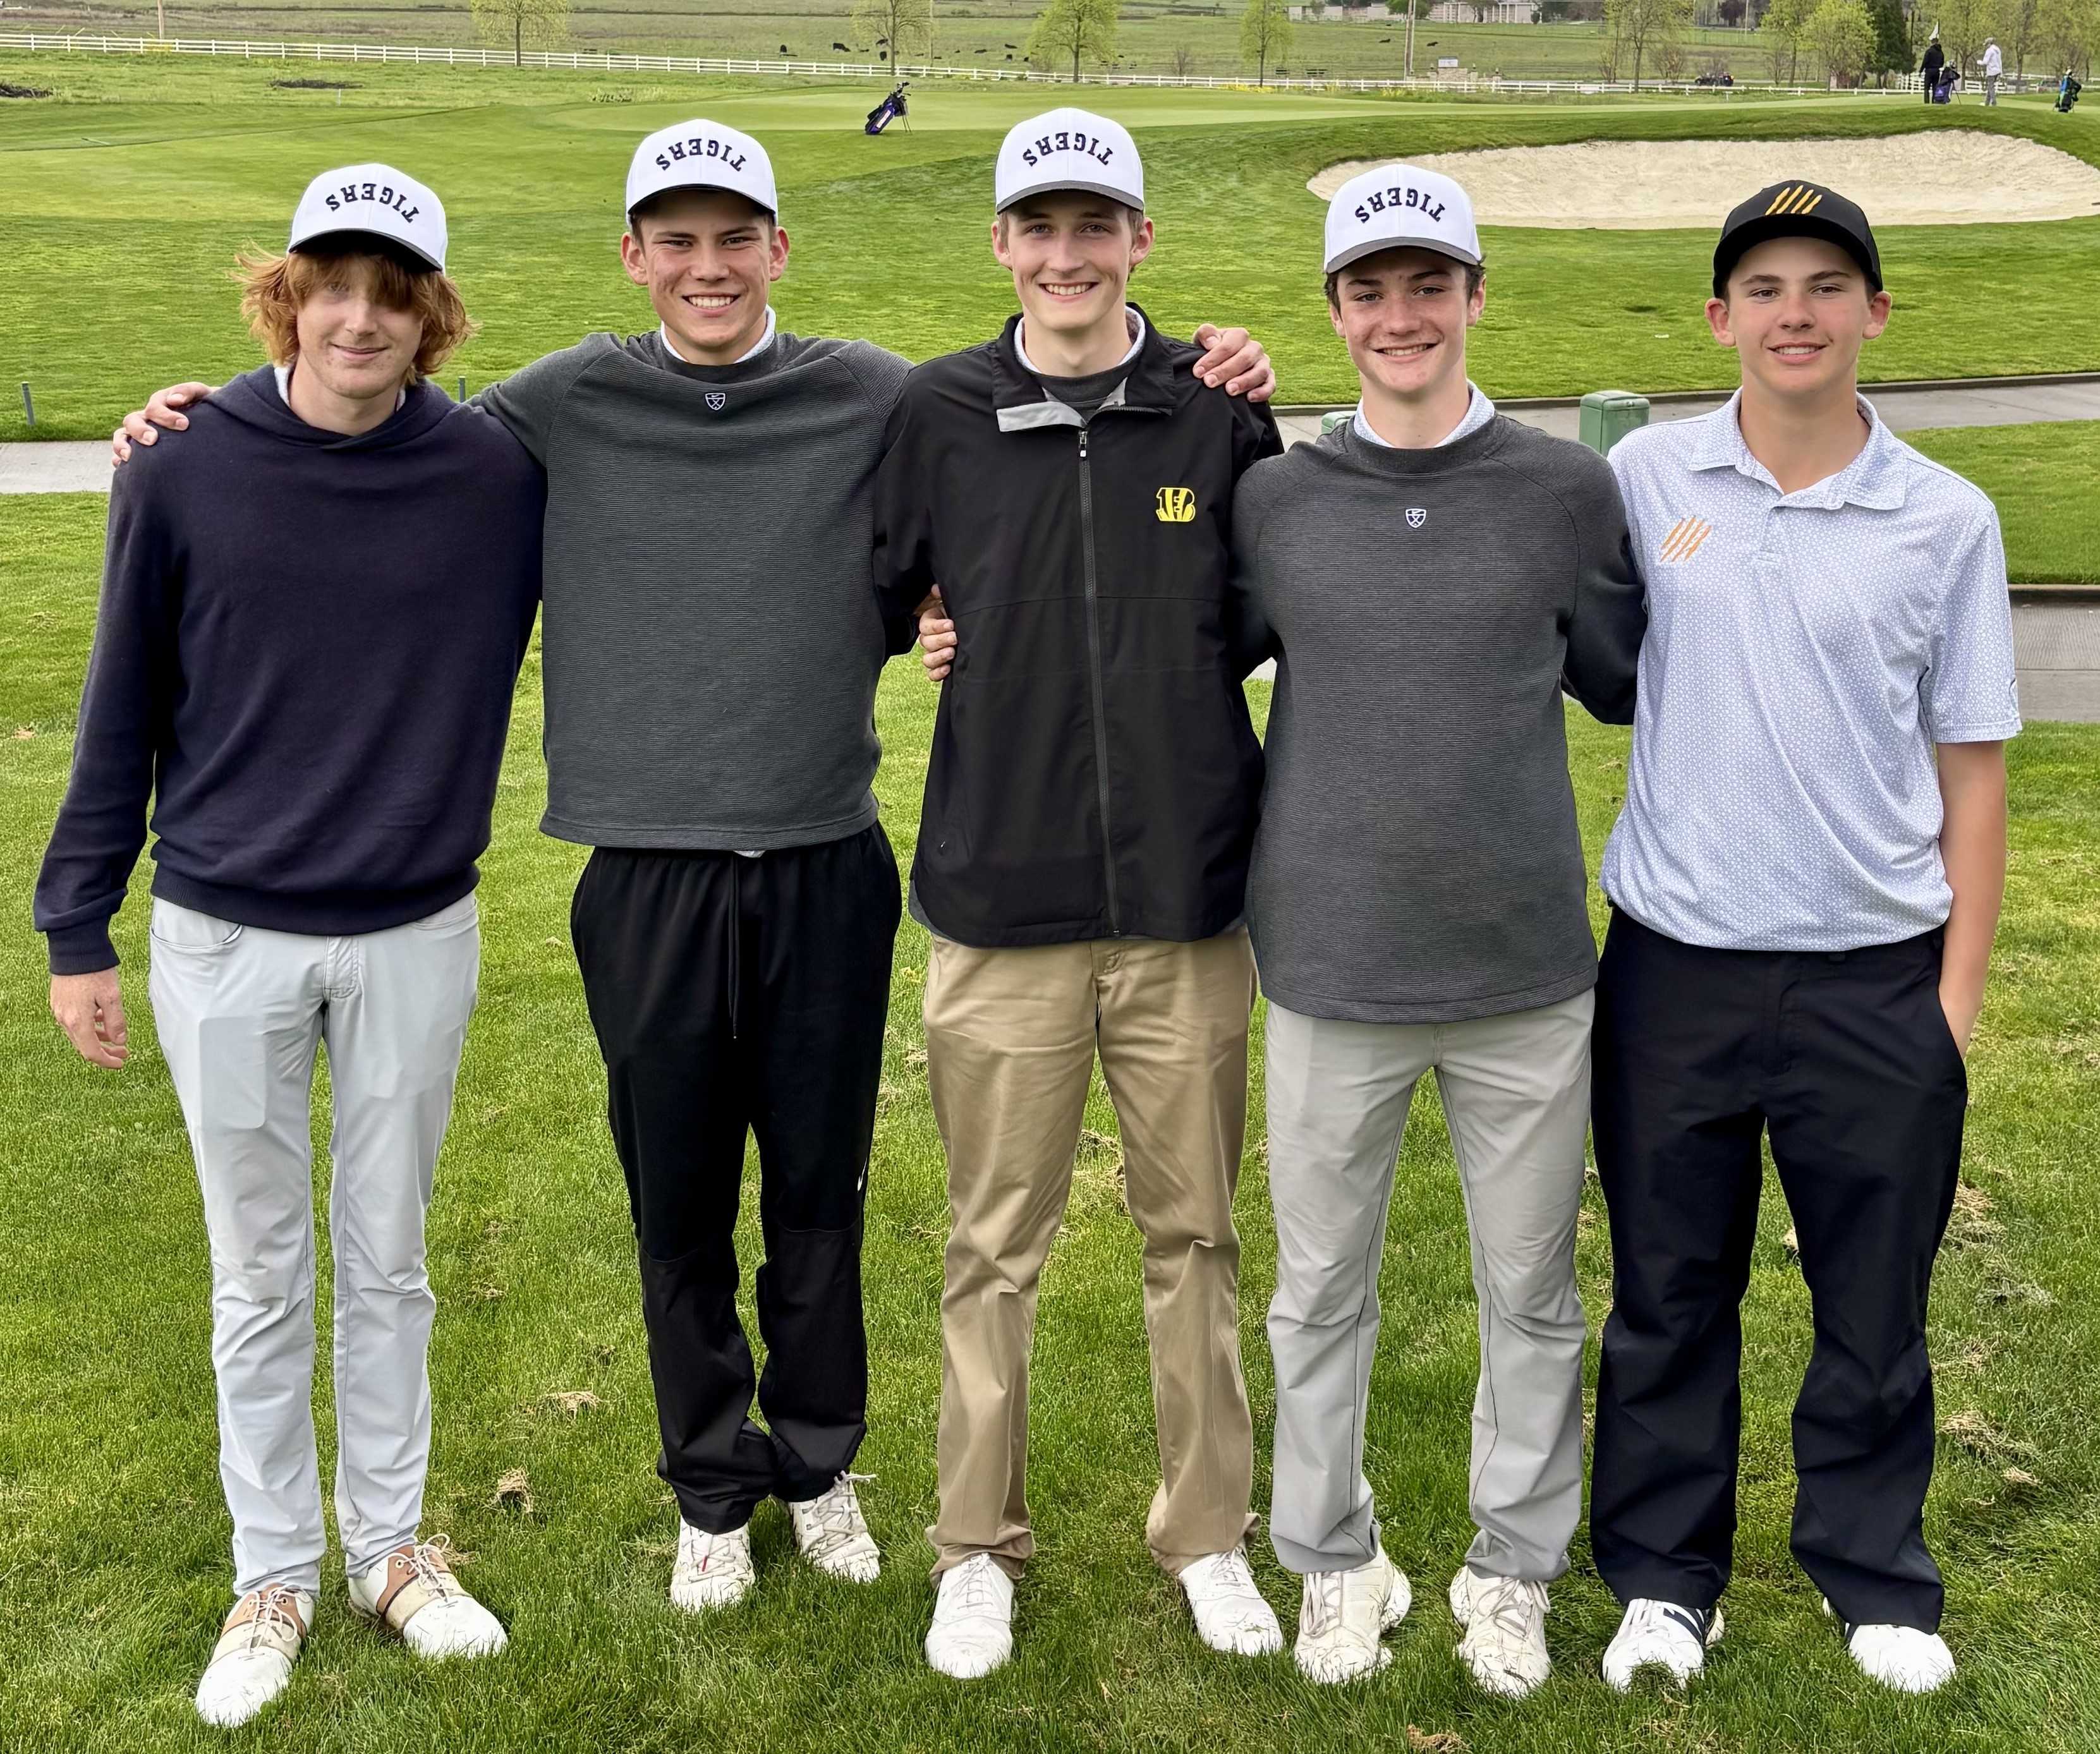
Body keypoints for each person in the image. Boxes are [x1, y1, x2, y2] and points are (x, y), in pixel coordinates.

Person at [116, 118, 1274, 1618]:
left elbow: (1003, 464)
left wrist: (1212, 362)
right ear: (635, 257)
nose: (707, 265)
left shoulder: (875, 393)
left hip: (823, 854)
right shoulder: (556, 404)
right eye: (676, 240)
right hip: (643, 870)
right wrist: (212, 419)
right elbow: (378, 420)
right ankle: (709, 1488)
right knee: (677, 1207)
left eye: (736, 238)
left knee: (818, 1191)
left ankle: (816, 1465)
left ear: (778, 251)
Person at [43, 164, 540, 1727]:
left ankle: (391, 1548)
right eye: (332, 284)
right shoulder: (181, 464)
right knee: (257, 1273)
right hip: (221, 931)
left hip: (413, 928)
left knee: (385, 1259)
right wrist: (77, 920)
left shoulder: (490, 475)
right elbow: (120, 698)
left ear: (431, 317)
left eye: (393, 295)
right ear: (286, 295)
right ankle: (276, 1571)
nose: (358, 318)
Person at [1589, 181, 2020, 1698]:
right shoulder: (1644, 475)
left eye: (1825, 284)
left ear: (1872, 314)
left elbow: (1970, 770)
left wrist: (1948, 1007)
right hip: (1674, 963)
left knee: (1870, 1299)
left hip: (1871, 975)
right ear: (1716, 318)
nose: (1792, 310)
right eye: (1761, 285)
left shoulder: (1942, 519)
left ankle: (1870, 1570)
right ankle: (1659, 1575)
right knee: (1666, 1290)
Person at [875, 108, 1285, 1679]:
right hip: (999, 904)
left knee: (1194, 1232)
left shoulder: (1212, 410)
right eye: (1037, 227)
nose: (1065, 253)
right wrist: (931, 621)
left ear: (1139, 241)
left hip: (1186, 903)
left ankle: (1207, 1536)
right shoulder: (937, 410)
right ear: (1000, 246)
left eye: (1093, 225)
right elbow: (882, 582)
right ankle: (974, 1543)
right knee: (994, 1243)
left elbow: (1258, 618)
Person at [1225, 166, 1643, 1694]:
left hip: (1522, 970)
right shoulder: (1274, 497)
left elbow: (1623, 676)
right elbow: (1185, 656)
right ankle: (1333, 1557)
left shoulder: (1563, 492)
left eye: (1427, 284)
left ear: (1473, 293)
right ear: (1334, 310)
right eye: (1366, 289)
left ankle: (1509, 1566)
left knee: (1528, 1288)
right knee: (1315, 1291)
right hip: (1330, 962)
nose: (1398, 316)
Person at [1919, 27, 1945, 103]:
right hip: (1937, 71)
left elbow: (1925, 62)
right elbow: (1942, 62)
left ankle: (1927, 102)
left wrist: (1921, 71)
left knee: (1927, 88)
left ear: (1932, 42)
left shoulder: (1929, 51)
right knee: (1935, 87)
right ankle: (1934, 101)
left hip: (1929, 71)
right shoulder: (1941, 53)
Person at [1982, 35, 2003, 104]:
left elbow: (1985, 62)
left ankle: (1994, 102)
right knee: (1990, 87)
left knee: (1991, 87)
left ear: (1989, 44)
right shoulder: (1997, 50)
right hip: (1997, 71)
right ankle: (1987, 103)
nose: (1985, 47)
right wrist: (2001, 72)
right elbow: (2000, 61)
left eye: (1986, 45)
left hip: (1991, 72)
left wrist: (1979, 62)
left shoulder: (1989, 51)